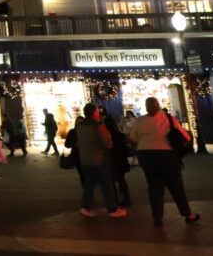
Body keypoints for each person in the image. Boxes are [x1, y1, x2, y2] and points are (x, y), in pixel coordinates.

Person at [128, 96, 200, 226]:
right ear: (158, 106)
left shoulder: (140, 120)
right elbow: (184, 135)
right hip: (166, 154)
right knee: (176, 185)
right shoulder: (168, 119)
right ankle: (187, 213)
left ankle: (157, 218)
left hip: (145, 154)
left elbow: (133, 137)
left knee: (154, 186)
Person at [73, 103, 125, 218]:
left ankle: (85, 207)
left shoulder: (80, 127)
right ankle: (112, 209)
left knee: (89, 185)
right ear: (93, 113)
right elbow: (107, 142)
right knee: (107, 185)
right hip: (99, 159)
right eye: (97, 111)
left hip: (85, 160)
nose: (98, 113)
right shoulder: (97, 126)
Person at [103, 114, 131, 207]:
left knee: (111, 182)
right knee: (122, 181)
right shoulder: (120, 136)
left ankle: (115, 201)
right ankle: (126, 199)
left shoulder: (106, 136)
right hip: (121, 160)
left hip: (111, 161)